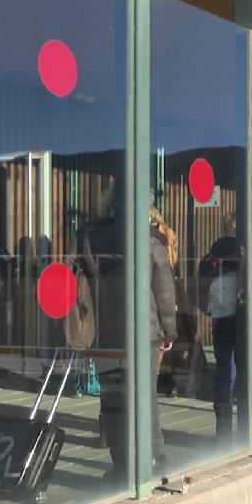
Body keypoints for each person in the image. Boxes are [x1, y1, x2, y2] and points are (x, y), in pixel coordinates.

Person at [82, 186, 176, 480]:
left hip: (103, 331)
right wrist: (169, 330)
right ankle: (156, 456)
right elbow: (163, 290)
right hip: (143, 331)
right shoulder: (151, 240)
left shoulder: (90, 235)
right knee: (145, 395)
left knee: (111, 398)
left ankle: (121, 463)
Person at [204, 213, 244, 440]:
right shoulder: (244, 248)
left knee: (223, 367)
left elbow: (203, 275)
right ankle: (249, 423)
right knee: (244, 364)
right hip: (241, 311)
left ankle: (223, 426)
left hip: (220, 311)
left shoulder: (215, 248)